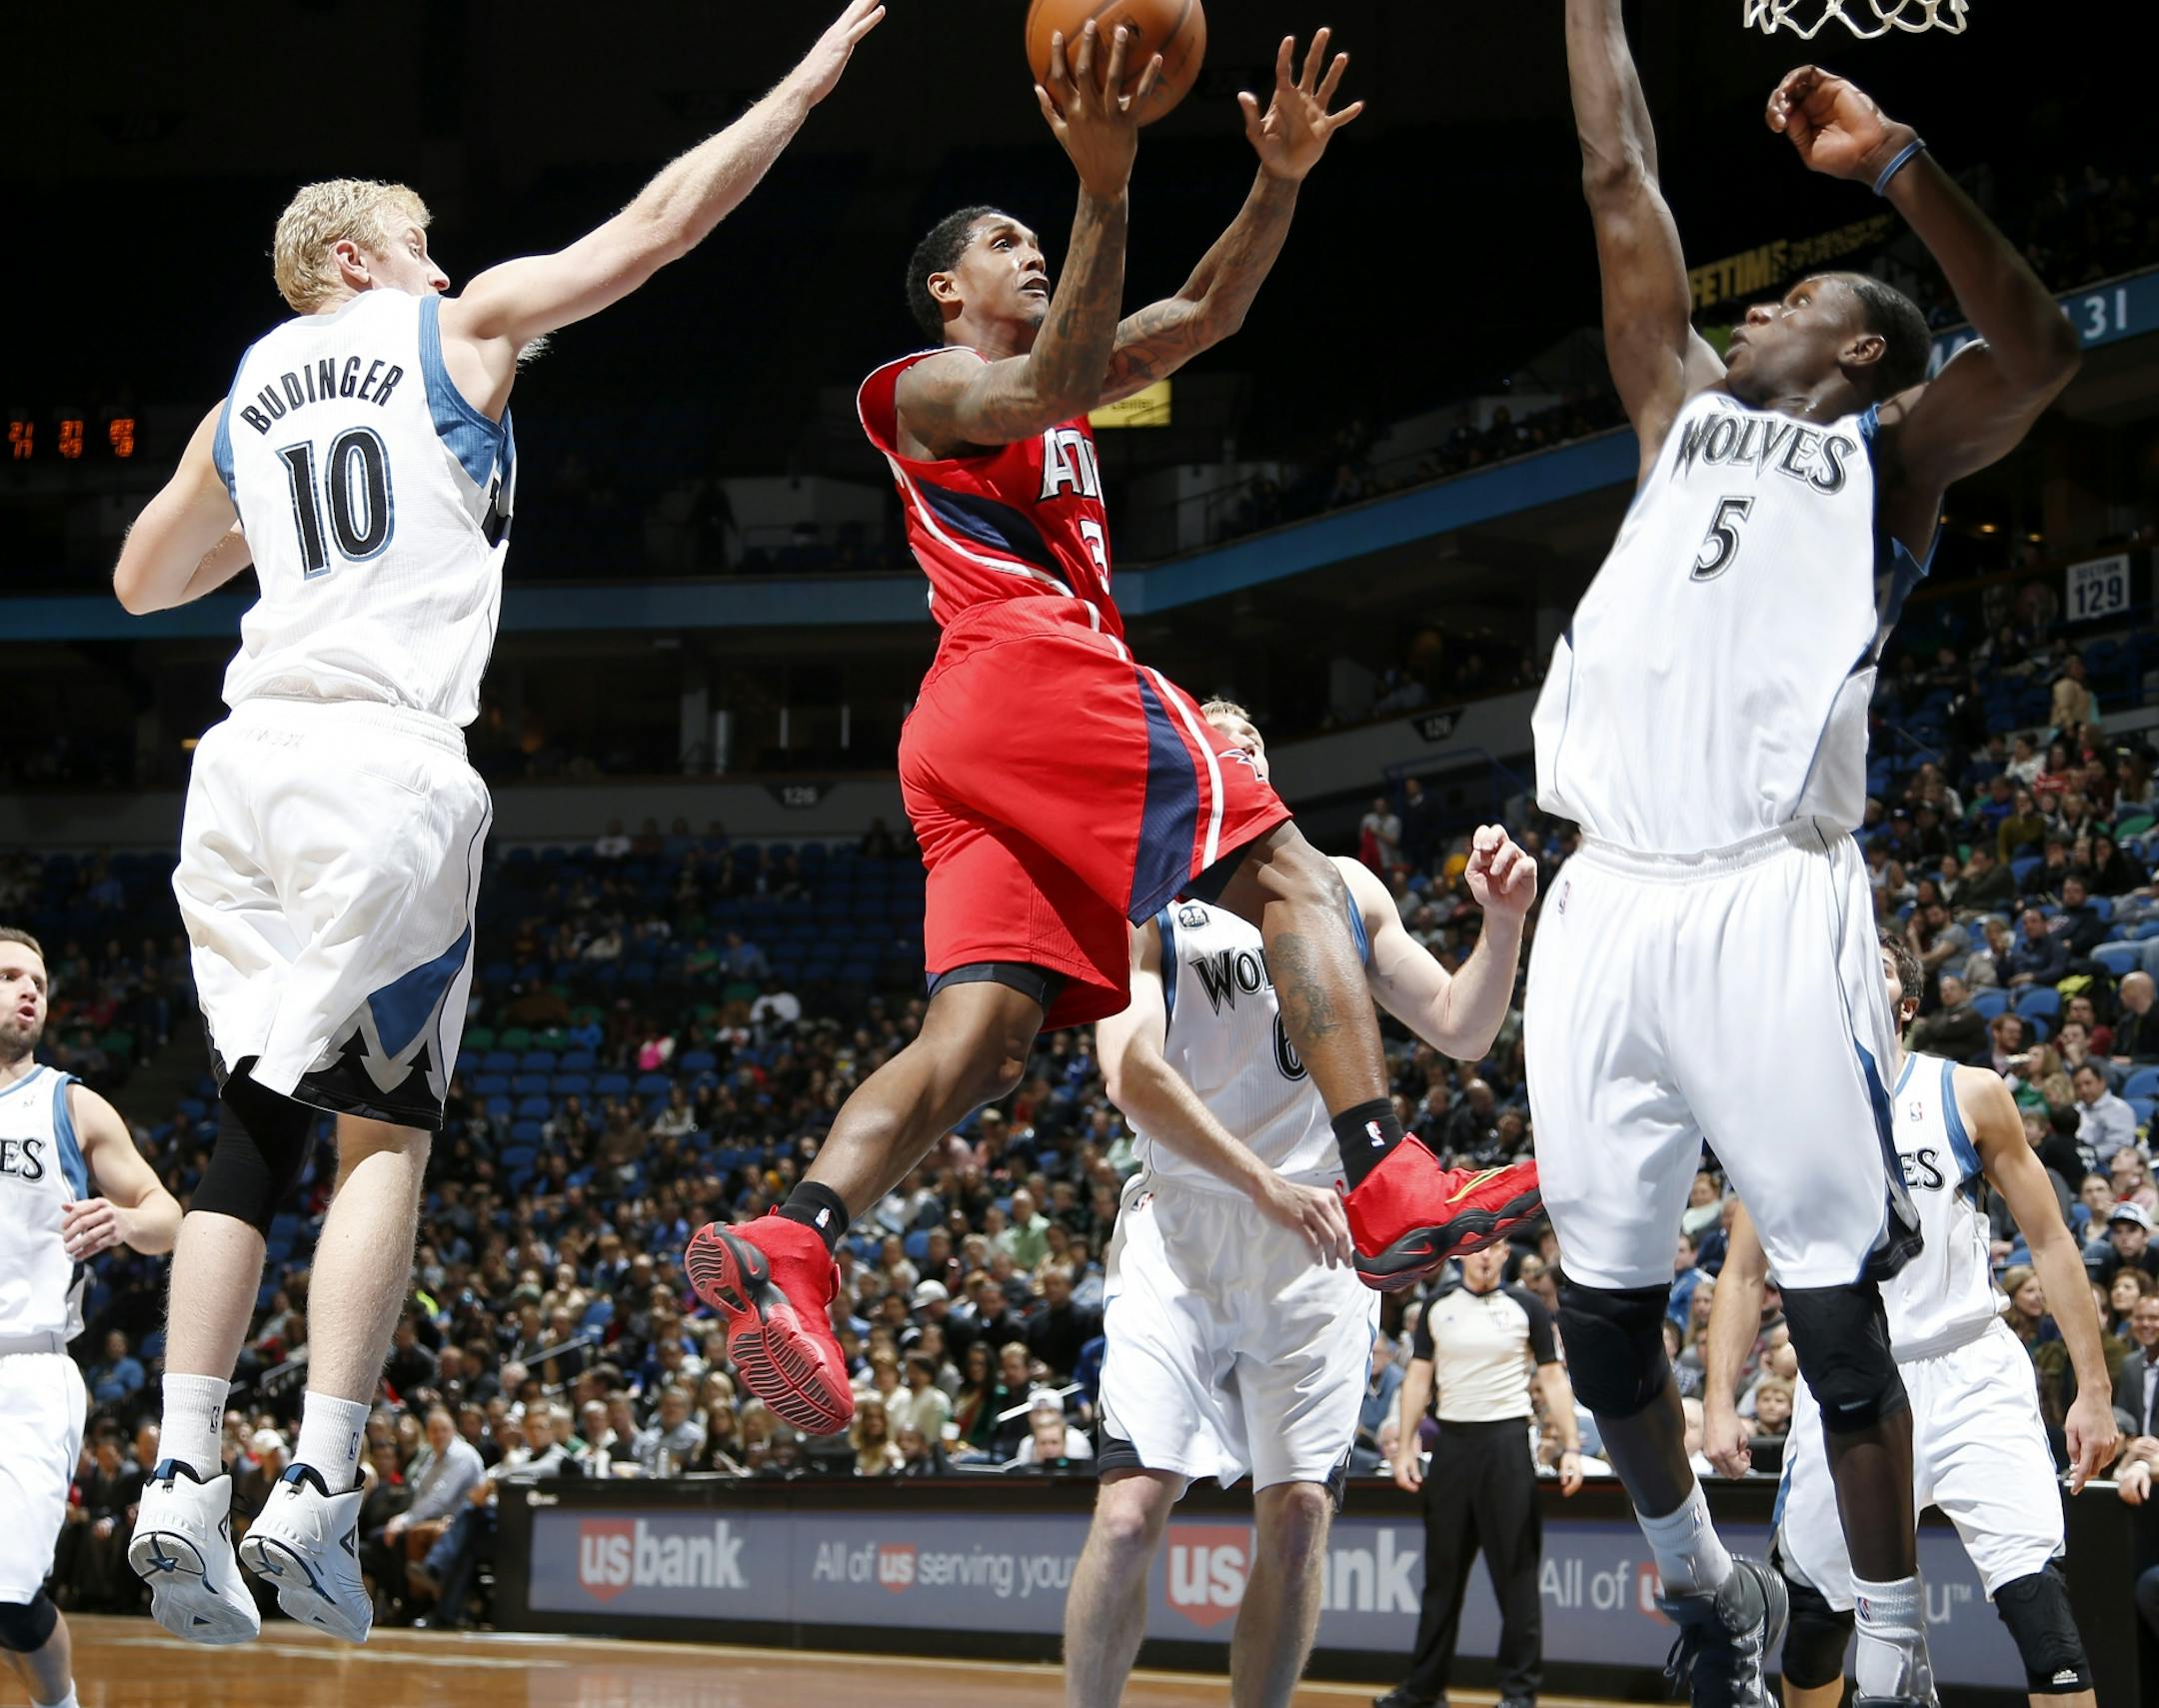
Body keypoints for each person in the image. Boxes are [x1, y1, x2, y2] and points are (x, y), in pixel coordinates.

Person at [114, 2, 885, 1647]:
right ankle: (317, 1495)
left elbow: (142, 578)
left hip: (240, 766)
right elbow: (659, 231)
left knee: (249, 1124)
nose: (451, 267)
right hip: (382, 769)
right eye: (425, 246)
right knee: (383, 1128)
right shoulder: (449, 337)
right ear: (351, 263)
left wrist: (290, 531)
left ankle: (178, 1471)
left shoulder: (248, 389)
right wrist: (804, 86)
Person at [689, 24, 1538, 1435]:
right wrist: (1103, 182)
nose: (1031, 254)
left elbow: (1203, 313)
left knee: (980, 1038)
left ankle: (799, 1234)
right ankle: (1387, 1169)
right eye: (1005, 243)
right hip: (1031, 670)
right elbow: (1043, 381)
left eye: (1043, 237)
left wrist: (1275, 181)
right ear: (947, 289)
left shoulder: (1068, 376)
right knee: (1289, 877)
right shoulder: (917, 388)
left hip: (965, 745)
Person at [1534, 4, 2081, 1701]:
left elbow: (2042, 348)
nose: (1759, 304)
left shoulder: (1894, 456)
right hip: (1603, 888)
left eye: (1802, 301)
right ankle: (1714, 1593)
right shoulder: (1675, 402)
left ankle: (1903, 1661)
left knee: (1840, 1321)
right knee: (1603, 1312)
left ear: (1860, 353)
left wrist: (1892, 161)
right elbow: (1616, 166)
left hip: (1772, 890)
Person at [1065, 701, 1538, 1708]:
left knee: (1296, 1521)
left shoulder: (1343, 886)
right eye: (1214, 737)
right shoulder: (1149, 892)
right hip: (1186, 1225)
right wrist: (1260, 1182)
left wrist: (1503, 924)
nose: (1233, 745)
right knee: (1125, 1513)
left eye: (1251, 739)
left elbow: (1461, 1025)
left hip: (1316, 1238)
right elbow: (1128, 1072)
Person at [1705, 934, 2117, 1708]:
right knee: (1817, 1621)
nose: (1856, 966)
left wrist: (2092, 1388)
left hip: (1968, 1371)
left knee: (2045, 1621)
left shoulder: (1968, 1093)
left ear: (1907, 1002)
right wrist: (1722, 1399)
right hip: (1849, 1381)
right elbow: (1743, 1270)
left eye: (1880, 961)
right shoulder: (1783, 1118)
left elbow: (2053, 1240)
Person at [0, 928, 180, 1707]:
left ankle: (58, 1701)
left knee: (6, 1593)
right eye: (8, 976)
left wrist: (123, 1220)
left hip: (28, 1369)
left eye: (37, 978)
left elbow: (167, 1214)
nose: (28, 990)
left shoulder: (69, 1103)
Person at [1378, 1245, 1584, 1708]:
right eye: (1475, 1249)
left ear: (1506, 1251)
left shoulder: (1526, 1306)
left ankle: (1518, 1694)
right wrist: (1407, 1445)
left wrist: (1571, 1447)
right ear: (1461, 1256)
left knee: (1516, 1576)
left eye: (1492, 1248)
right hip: (1451, 1446)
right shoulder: (1438, 1305)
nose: (1485, 1258)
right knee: (1440, 1576)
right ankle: (1424, 1689)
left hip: (1507, 1445)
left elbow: (1552, 1377)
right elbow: (1417, 1379)